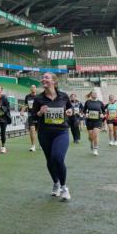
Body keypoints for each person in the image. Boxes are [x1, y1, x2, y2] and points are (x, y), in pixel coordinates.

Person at [33, 73, 74, 201]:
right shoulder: (39, 99)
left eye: (46, 77)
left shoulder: (63, 96)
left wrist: (70, 112)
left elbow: (70, 109)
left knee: (57, 157)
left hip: (61, 132)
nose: (43, 79)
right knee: (50, 160)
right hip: (45, 133)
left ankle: (64, 187)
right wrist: (40, 112)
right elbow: (33, 116)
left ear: (54, 81)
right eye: (43, 77)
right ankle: (55, 183)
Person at [82, 91, 106, 156]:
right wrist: (85, 114)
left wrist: (102, 114)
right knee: (90, 137)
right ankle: (91, 142)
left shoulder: (100, 102)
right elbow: (83, 111)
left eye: (95, 93)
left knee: (95, 135)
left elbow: (104, 111)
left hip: (98, 121)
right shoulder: (88, 102)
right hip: (89, 121)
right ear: (91, 95)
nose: (94, 94)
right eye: (93, 93)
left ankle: (96, 149)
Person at [23, 84, 39, 152]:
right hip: (30, 115)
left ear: (36, 89)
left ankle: (41, 143)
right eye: (31, 87)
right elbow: (26, 105)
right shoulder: (27, 96)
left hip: (39, 116)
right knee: (32, 130)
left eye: (34, 87)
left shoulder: (39, 96)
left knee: (39, 131)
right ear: (30, 89)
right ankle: (33, 145)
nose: (33, 88)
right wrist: (22, 110)